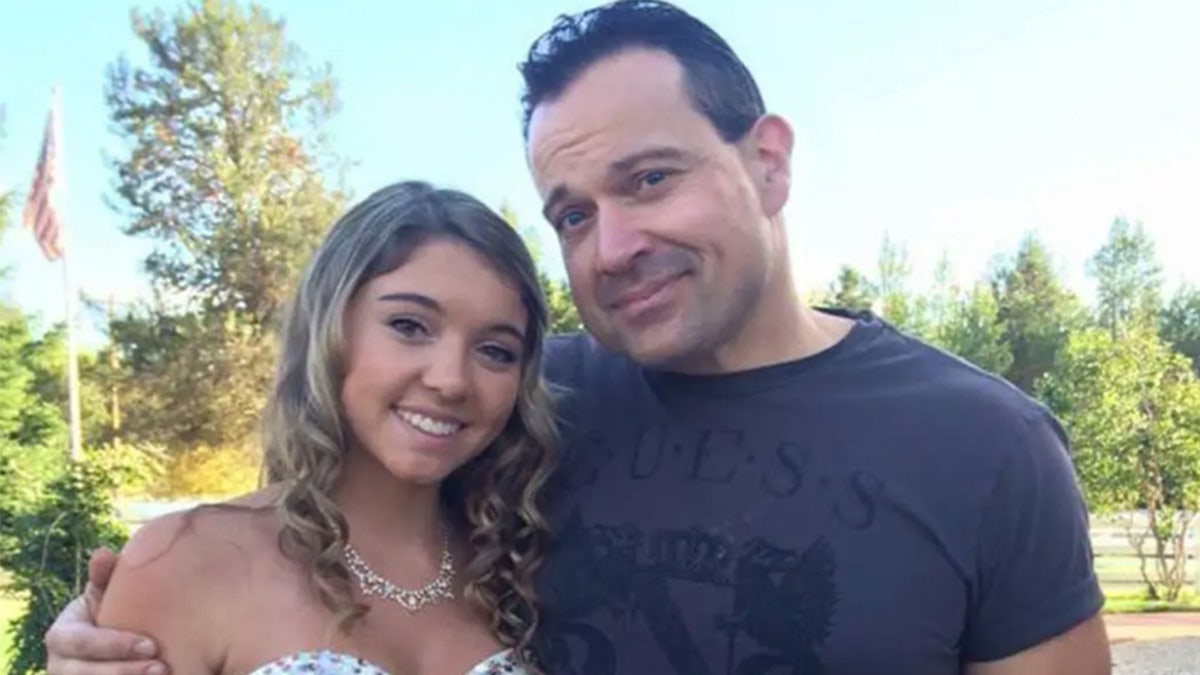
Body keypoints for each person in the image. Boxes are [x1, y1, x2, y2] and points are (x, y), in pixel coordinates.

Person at [44, 2, 1112, 674]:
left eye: (650, 178)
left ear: (770, 163)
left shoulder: (986, 444)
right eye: (572, 213)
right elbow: (298, 536)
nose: (615, 244)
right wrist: (99, 634)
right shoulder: (520, 409)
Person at [68, 181, 559, 675]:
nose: (451, 380)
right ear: (330, 331)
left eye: (496, 351)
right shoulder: (186, 560)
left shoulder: (518, 569)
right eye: (409, 326)